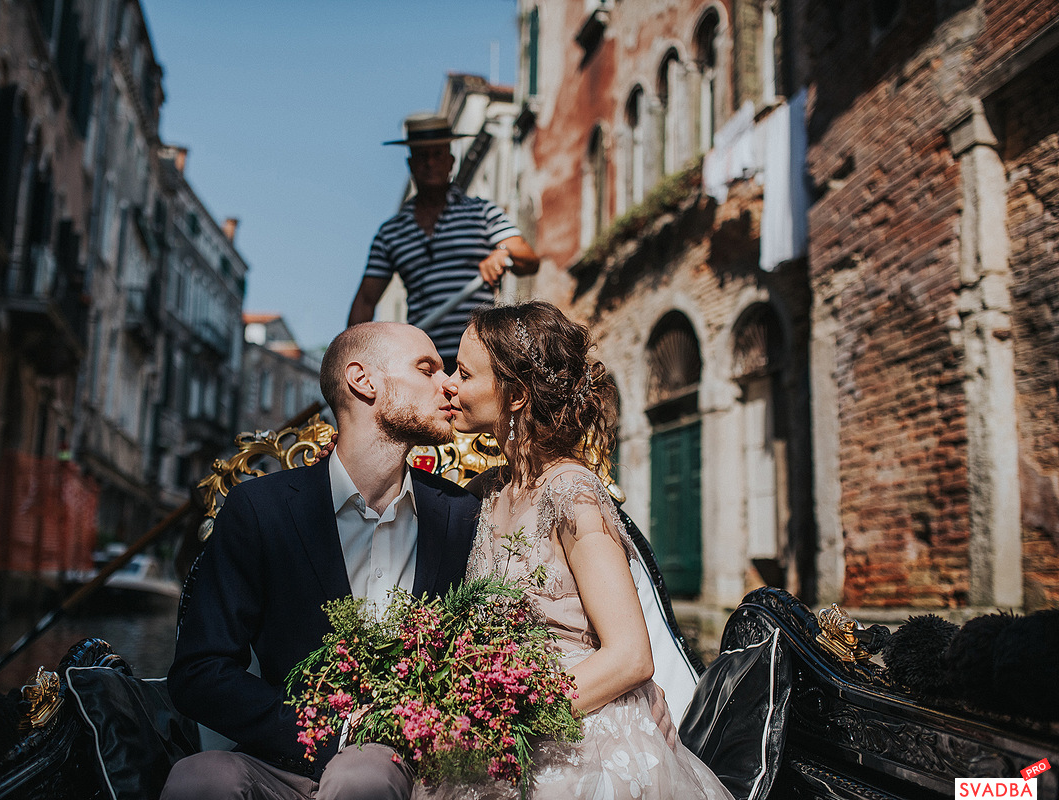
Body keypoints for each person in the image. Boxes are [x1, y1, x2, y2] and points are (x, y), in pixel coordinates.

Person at [161, 322, 481, 800]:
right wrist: (318, 731)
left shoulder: (462, 515)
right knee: (198, 779)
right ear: (363, 381)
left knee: (362, 778)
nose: (449, 383)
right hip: (283, 753)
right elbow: (199, 671)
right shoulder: (260, 509)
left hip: (404, 764)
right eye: (427, 368)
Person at [434, 301, 731, 800]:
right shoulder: (486, 493)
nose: (448, 383)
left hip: (578, 730)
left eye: (463, 373)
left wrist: (511, 720)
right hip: (496, 721)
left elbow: (632, 656)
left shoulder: (570, 491)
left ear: (516, 396)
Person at [348, 113, 540, 373]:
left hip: (479, 353)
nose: (430, 163)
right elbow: (365, 301)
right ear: (410, 164)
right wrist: (351, 359)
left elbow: (528, 259)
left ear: (450, 161)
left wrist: (502, 253)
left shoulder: (482, 213)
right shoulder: (390, 232)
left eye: (438, 155)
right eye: (422, 157)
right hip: (422, 359)